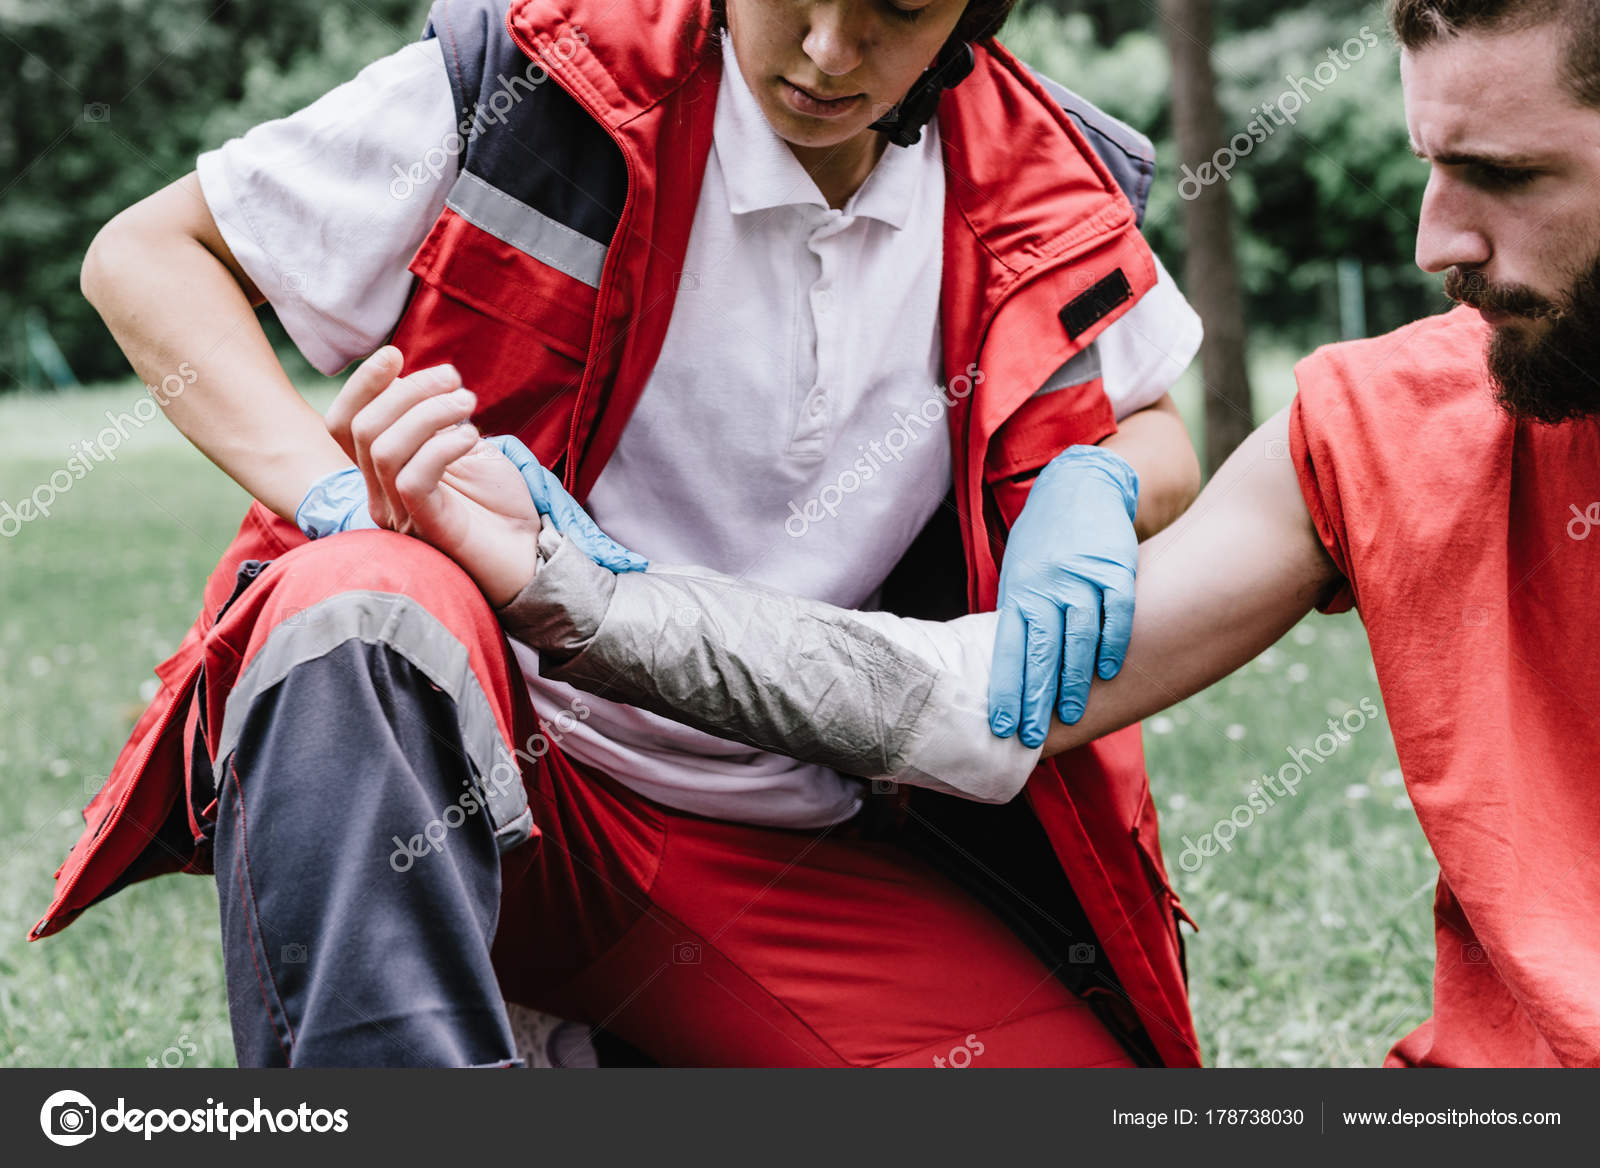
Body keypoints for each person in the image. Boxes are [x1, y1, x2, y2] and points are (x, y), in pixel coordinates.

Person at [365, 0, 1600, 1068]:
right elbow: (968, 699)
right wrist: (583, 594)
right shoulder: (1390, 419)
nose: (1438, 239)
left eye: (1507, 176)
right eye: (1433, 167)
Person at [39, 0, 1209, 1067]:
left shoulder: (1044, 172)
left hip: (772, 837)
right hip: (483, 758)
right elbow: (146, 257)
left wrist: (1098, 478)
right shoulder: (540, 68)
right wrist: (331, 495)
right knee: (352, 594)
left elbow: (1157, 421)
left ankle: (592, 1048)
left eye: (896, 11)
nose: (828, 52)